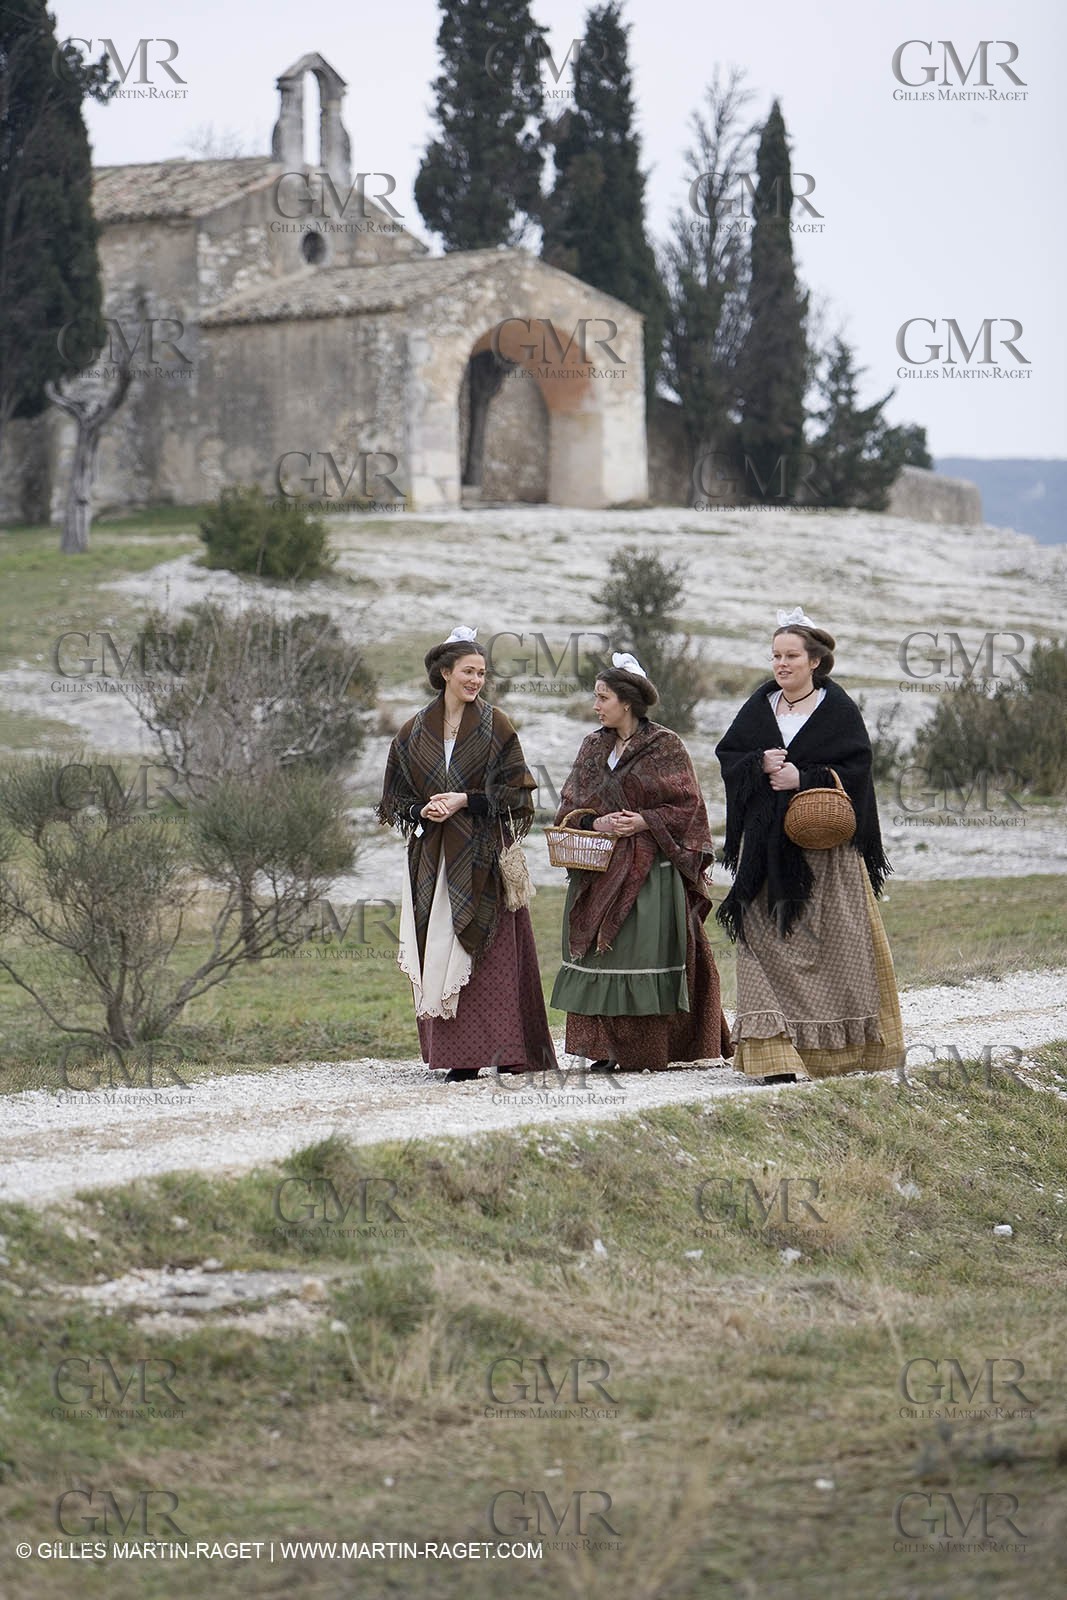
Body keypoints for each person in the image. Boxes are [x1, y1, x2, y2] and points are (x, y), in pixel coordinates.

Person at [715, 607, 905, 1083]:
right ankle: (772, 1055)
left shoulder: (837, 709)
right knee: (759, 938)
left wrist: (808, 777)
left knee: (834, 948)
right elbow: (729, 755)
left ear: (815, 661)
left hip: (824, 852)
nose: (781, 664)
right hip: (765, 853)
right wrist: (757, 763)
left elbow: (858, 771)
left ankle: (833, 1053)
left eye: (791, 656)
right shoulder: (760, 706)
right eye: (776, 655)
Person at [376, 626, 556, 1083]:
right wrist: (424, 808)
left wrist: (464, 801)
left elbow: (518, 793)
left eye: (482, 673)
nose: (476, 680)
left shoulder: (496, 725)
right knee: (437, 948)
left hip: (481, 859)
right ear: (444, 673)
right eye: (468, 672)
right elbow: (394, 799)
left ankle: (501, 1051)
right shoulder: (413, 731)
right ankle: (456, 1055)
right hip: (431, 859)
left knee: (485, 952)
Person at [549, 652, 732, 1072]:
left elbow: (689, 809)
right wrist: (598, 821)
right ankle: (604, 1049)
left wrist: (644, 821)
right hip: (598, 870)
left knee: (639, 957)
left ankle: (647, 1050)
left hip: (651, 874)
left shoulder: (666, 746)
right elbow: (569, 808)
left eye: (603, 697)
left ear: (627, 701)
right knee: (599, 959)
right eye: (596, 697)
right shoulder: (592, 747)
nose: (596, 705)